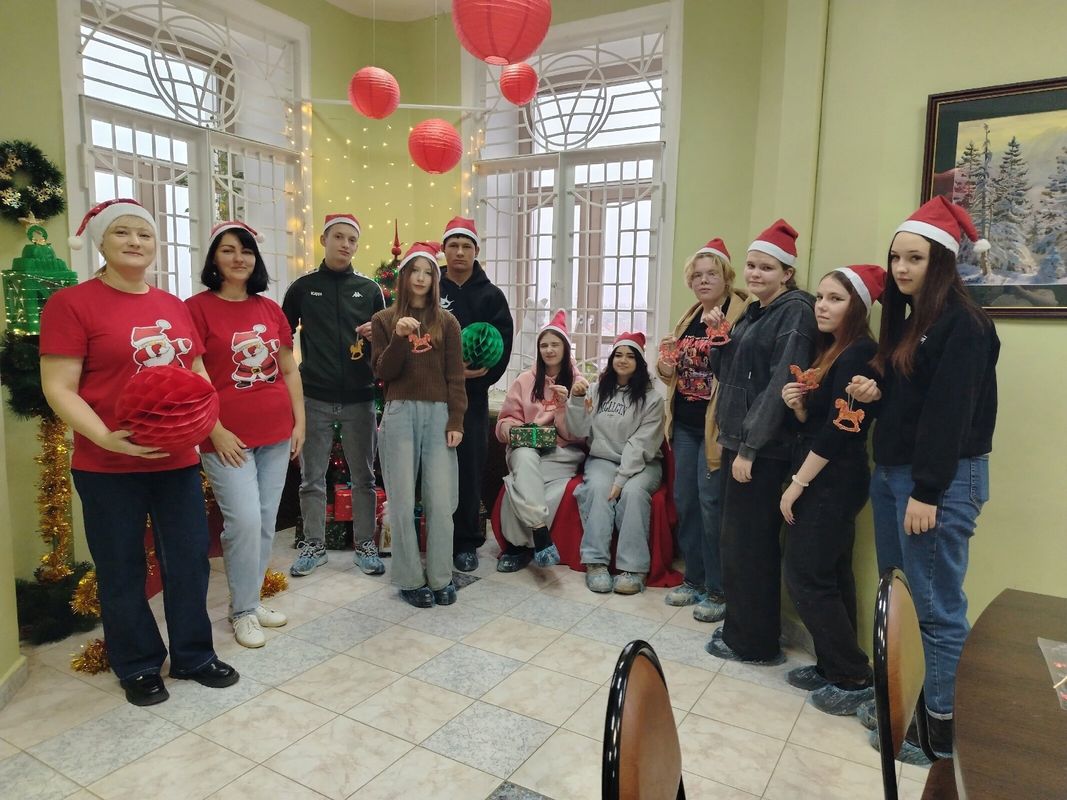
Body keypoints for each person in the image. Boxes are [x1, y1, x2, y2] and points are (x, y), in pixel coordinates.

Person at [40, 198, 238, 706]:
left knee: (189, 560)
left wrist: (204, 422)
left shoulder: (173, 305)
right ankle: (138, 663)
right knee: (121, 567)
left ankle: (194, 655)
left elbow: (197, 373)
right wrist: (105, 436)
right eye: (122, 232)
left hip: (177, 461)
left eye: (144, 234)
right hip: (107, 465)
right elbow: (58, 386)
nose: (135, 242)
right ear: (101, 241)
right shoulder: (72, 304)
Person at [849, 197, 999, 761]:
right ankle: (907, 706)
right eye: (896, 257)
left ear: (943, 262)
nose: (901, 268)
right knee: (902, 600)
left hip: (936, 483)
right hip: (896, 476)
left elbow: (949, 414)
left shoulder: (965, 325)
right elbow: (913, 398)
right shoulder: (916, 321)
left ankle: (939, 732)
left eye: (915, 258)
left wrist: (928, 491)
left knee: (935, 609)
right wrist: (875, 390)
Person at [186, 221, 305, 648]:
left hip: (276, 432)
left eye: (247, 251)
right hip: (226, 439)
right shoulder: (195, 309)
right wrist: (213, 430)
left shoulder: (270, 310)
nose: (239, 258)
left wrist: (300, 422)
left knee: (266, 520)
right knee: (244, 521)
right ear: (213, 258)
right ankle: (241, 612)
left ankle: (250, 602)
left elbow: (288, 369)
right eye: (228, 250)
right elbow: (193, 376)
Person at [704, 219, 816, 665]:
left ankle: (755, 643)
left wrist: (750, 448)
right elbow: (726, 372)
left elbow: (778, 387)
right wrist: (718, 338)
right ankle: (741, 629)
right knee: (735, 544)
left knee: (752, 546)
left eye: (766, 267)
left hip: (763, 450)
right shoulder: (755, 311)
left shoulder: (796, 313)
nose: (754, 274)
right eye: (751, 265)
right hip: (736, 440)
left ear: (787, 273)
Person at [778, 265, 884, 713]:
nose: (821, 306)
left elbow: (841, 430)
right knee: (833, 572)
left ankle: (852, 675)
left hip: (833, 478)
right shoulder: (833, 350)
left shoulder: (860, 354)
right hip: (827, 473)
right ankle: (833, 665)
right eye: (820, 297)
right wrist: (800, 408)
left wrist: (797, 484)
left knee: (806, 573)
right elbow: (821, 420)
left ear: (857, 307)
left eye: (835, 299)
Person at [282, 213, 385, 577]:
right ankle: (314, 545)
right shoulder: (302, 287)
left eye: (352, 239)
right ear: (324, 240)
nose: (345, 244)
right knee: (311, 478)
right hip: (314, 397)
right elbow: (281, 337)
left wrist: (377, 334)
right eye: (338, 237)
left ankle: (365, 544)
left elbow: (387, 343)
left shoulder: (370, 290)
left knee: (365, 477)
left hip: (360, 398)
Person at [657, 238, 749, 623]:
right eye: (697, 275)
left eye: (712, 273)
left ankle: (718, 588)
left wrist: (722, 336)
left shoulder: (742, 314)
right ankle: (693, 579)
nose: (704, 280)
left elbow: (741, 367)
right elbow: (673, 373)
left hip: (716, 428)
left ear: (727, 277)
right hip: (684, 424)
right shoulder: (690, 315)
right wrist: (665, 364)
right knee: (687, 502)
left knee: (712, 506)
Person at [371, 242, 467, 607]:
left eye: (429, 272)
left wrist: (456, 419)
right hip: (399, 413)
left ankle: (441, 576)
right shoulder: (383, 320)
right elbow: (383, 372)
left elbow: (455, 377)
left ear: (435, 279)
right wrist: (398, 337)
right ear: (404, 276)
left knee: (441, 500)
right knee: (401, 500)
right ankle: (410, 578)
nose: (422, 278)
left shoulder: (448, 322)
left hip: (439, 414)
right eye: (415, 271)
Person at [438, 217, 514, 572]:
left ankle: (466, 541)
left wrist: (479, 376)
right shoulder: (430, 288)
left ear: (476, 251)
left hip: (473, 398)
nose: (459, 252)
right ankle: (437, 537)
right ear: (444, 249)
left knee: (469, 467)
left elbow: (503, 346)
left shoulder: (492, 296)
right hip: (434, 395)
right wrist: (447, 373)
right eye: (453, 245)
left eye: (466, 246)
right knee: (436, 468)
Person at [567, 332, 664, 595]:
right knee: (598, 489)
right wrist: (576, 401)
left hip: (643, 464)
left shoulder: (653, 399)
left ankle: (633, 569)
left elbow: (641, 444)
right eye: (618, 355)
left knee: (633, 493)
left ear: (639, 363)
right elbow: (579, 429)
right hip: (602, 458)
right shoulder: (596, 391)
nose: (623, 360)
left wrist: (621, 480)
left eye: (630, 356)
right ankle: (595, 562)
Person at [495, 310, 584, 571]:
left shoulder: (578, 383)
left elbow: (576, 434)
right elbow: (505, 420)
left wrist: (564, 405)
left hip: (561, 452)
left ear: (565, 348)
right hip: (525, 447)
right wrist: (512, 430)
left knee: (520, 482)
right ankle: (540, 533)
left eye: (555, 344)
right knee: (524, 458)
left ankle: (517, 547)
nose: (549, 350)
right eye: (544, 345)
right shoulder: (525, 380)